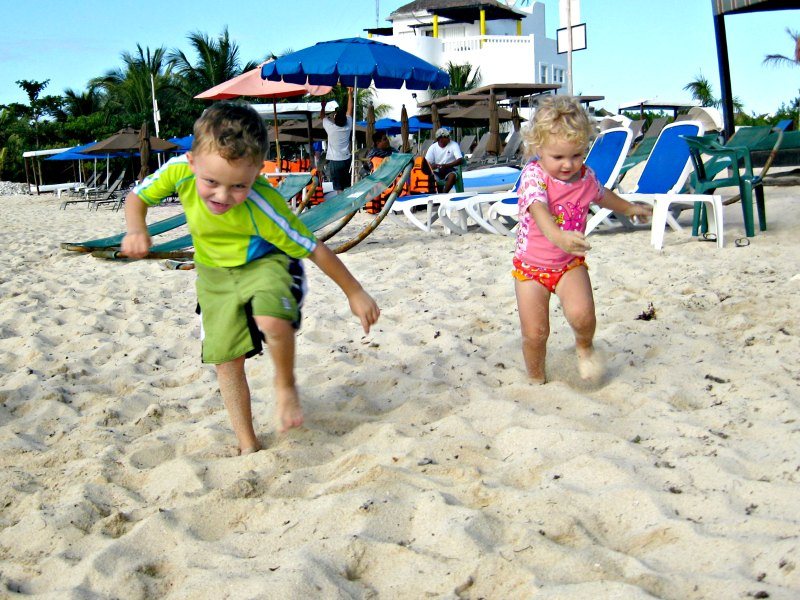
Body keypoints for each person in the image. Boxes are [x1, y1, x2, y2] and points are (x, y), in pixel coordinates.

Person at [121, 102, 380, 455]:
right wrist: (137, 230)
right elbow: (136, 197)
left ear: (258, 172)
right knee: (227, 359)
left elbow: (313, 247)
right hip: (213, 271)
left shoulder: (263, 204)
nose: (223, 197)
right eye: (211, 182)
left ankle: (285, 384)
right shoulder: (178, 170)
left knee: (271, 319)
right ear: (193, 162)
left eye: (238, 186)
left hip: (265, 262)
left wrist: (355, 291)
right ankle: (247, 442)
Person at [513, 95, 652, 384]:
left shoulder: (585, 178)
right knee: (535, 333)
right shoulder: (533, 175)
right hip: (530, 269)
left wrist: (630, 208)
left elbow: (603, 195)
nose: (568, 165)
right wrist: (558, 236)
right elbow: (537, 209)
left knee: (583, 316)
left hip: (567, 264)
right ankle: (536, 379)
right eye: (558, 157)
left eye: (576, 155)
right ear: (538, 149)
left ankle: (584, 345)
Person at [320, 88, 354, 192]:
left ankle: (342, 207)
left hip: (335, 161)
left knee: (339, 188)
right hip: (346, 159)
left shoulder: (331, 128)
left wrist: (323, 107)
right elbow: (350, 109)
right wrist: (350, 93)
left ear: (335, 119)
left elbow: (322, 116)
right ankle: (349, 206)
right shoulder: (348, 126)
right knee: (347, 186)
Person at [424, 127, 464, 192]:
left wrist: (445, 166)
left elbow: (460, 159)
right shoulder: (433, 147)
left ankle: (444, 194)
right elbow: (426, 163)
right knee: (430, 177)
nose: (449, 138)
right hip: (437, 170)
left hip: (450, 169)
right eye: (447, 136)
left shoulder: (454, 144)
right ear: (440, 139)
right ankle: (436, 193)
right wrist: (433, 166)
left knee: (452, 176)